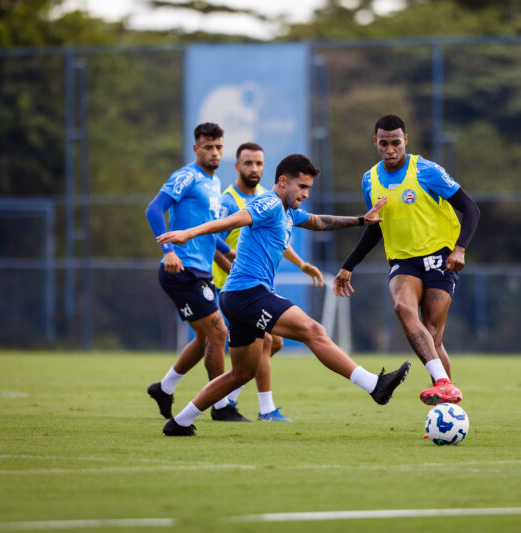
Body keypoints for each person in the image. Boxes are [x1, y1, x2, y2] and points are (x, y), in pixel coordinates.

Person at [156, 154, 411, 437]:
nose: (305, 194)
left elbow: (320, 221)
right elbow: (234, 220)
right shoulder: (269, 203)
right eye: (301, 187)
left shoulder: (288, 211)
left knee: (241, 373)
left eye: (309, 188)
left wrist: (362, 220)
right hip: (248, 294)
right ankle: (374, 385)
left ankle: (179, 422)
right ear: (282, 181)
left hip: (237, 296)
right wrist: (189, 233)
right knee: (314, 331)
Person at [333, 115, 480, 406]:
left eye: (395, 143)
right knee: (402, 307)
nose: (390, 149)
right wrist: (348, 265)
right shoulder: (369, 179)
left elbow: (471, 208)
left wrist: (460, 249)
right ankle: (445, 384)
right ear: (375, 142)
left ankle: (446, 407)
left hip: (440, 258)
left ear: (406, 141)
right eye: (384, 143)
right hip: (403, 262)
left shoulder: (426, 171)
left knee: (432, 336)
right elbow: (375, 227)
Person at [212, 142, 324, 422]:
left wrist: (301, 264)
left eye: (259, 163)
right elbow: (213, 240)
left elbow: (277, 236)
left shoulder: (269, 198)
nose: (254, 168)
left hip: (251, 286)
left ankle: (217, 399)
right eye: (248, 163)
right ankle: (260, 408)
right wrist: (234, 270)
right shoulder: (229, 201)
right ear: (237, 166)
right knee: (254, 342)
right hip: (234, 285)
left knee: (272, 344)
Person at [144, 122, 245, 423]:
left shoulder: (214, 183)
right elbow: (153, 209)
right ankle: (221, 405)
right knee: (218, 332)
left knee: (204, 338)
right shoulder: (186, 176)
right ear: (196, 148)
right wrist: (168, 251)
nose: (214, 152)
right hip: (181, 270)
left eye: (219, 147)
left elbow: (204, 230)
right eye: (208, 147)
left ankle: (164, 388)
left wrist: (228, 252)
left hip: (200, 272)